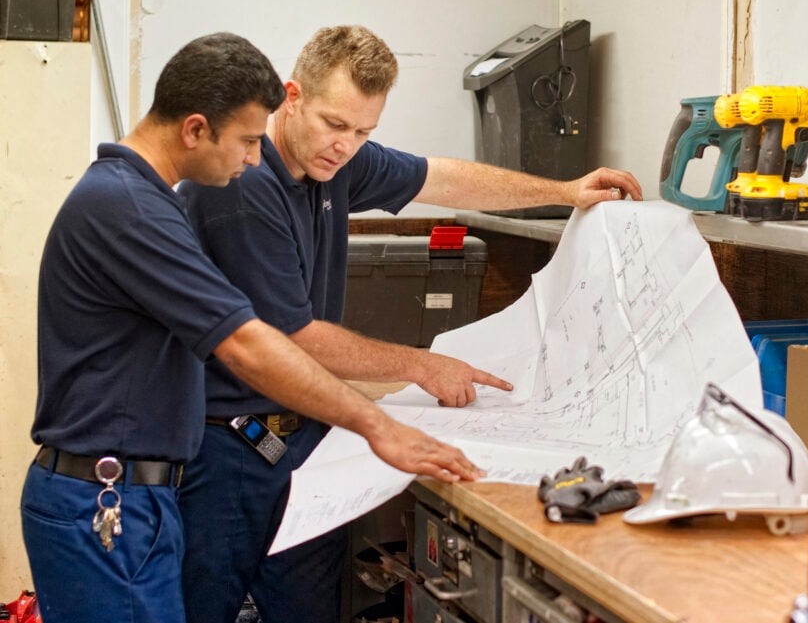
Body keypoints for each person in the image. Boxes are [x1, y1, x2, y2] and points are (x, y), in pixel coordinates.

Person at [177, 25, 643, 623]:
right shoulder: (242, 185)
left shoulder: (333, 163)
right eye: (333, 124)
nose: (345, 146)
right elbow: (295, 337)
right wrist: (423, 364)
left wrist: (564, 190)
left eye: (364, 131)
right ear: (290, 96)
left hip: (307, 437)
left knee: (311, 609)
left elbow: (442, 178)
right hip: (226, 450)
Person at [21, 32, 481, 623]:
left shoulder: (145, 200)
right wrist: (376, 424)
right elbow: (250, 339)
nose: (254, 157)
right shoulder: (128, 207)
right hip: (106, 502)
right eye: (245, 140)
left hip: (139, 495)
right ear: (195, 129)